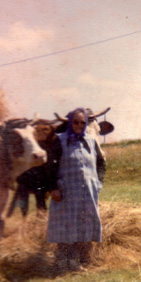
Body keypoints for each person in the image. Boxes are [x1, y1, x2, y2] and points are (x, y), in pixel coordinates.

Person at [47, 108, 106, 272]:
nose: (79, 125)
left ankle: (75, 262)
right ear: (70, 123)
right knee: (65, 225)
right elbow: (49, 166)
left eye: (82, 122)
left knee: (82, 224)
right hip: (65, 192)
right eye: (76, 122)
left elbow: (101, 164)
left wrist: (98, 183)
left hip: (87, 193)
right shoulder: (59, 140)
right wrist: (53, 188)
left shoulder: (91, 141)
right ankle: (61, 262)